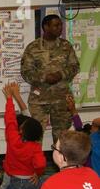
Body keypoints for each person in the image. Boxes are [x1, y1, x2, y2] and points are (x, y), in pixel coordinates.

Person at [21, 14, 80, 143]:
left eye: (61, 25)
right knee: (34, 136)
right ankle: (35, 163)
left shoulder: (66, 46)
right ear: (45, 27)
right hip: (39, 100)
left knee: (62, 137)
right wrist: (44, 77)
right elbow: (26, 72)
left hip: (62, 99)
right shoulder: (33, 48)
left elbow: (75, 67)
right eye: (56, 25)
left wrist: (60, 75)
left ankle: (61, 162)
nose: (60, 28)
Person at [1, 82, 46, 189]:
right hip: (28, 178)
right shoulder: (36, 145)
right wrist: (38, 173)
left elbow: (9, 119)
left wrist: (10, 98)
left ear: (20, 130)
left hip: (11, 175)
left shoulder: (13, 138)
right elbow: (41, 164)